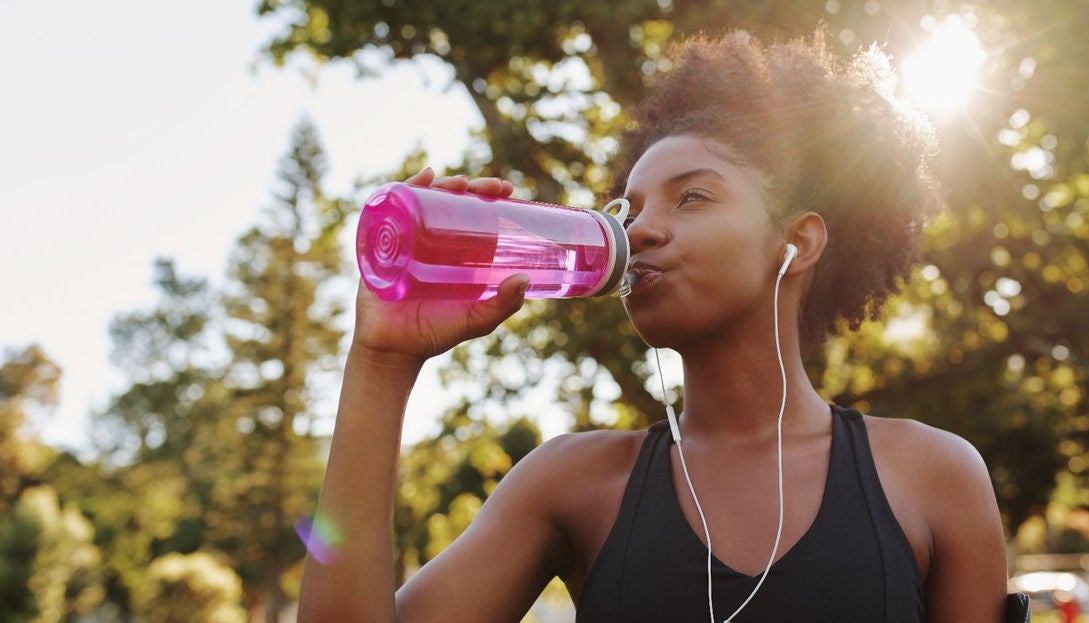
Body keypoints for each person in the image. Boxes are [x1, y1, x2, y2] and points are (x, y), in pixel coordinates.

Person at [298, 29, 1009, 622]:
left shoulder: (931, 476)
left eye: (691, 197)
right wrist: (380, 362)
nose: (640, 232)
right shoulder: (571, 484)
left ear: (799, 241)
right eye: (628, 210)